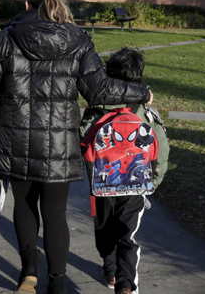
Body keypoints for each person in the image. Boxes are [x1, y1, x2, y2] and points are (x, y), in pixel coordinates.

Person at [0, 0, 153, 294]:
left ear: (27, 5)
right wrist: (143, 92)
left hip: (15, 144)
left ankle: (28, 273)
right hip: (59, 145)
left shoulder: (2, 40)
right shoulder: (79, 40)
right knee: (55, 214)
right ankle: (56, 283)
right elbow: (99, 89)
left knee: (24, 206)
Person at [79, 48, 169, 294]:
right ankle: (126, 285)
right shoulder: (147, 114)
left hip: (102, 186)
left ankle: (110, 272)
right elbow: (161, 148)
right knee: (127, 236)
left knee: (104, 229)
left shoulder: (97, 110)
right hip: (136, 186)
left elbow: (84, 144)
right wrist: (156, 179)